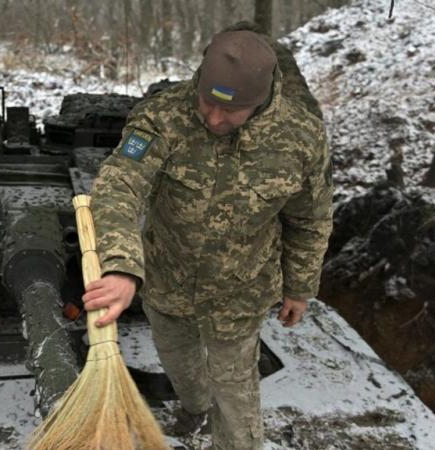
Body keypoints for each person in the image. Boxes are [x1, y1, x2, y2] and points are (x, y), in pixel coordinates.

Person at [82, 28, 334, 450]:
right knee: (181, 367)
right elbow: (119, 184)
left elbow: (310, 219)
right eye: (207, 102)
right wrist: (123, 266)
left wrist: (300, 287)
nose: (215, 119)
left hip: (240, 292)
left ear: (263, 98)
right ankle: (194, 408)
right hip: (168, 279)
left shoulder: (301, 138)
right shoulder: (163, 116)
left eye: (232, 111)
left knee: (235, 395)